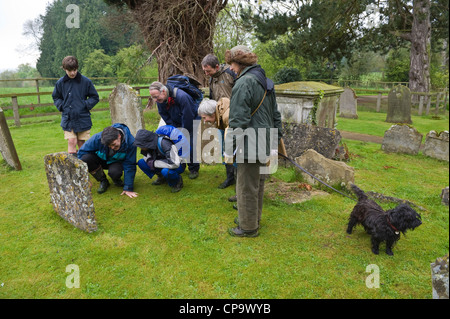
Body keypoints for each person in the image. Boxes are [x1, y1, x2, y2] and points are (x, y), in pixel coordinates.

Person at [224, 45, 283, 237]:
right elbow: (275, 114)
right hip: (264, 139)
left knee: (246, 185)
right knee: (257, 183)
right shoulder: (265, 80)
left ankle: (248, 228)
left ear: (239, 63)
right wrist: (276, 139)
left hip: (250, 141)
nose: (230, 69)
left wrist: (228, 149)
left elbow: (237, 120)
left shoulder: (243, 83)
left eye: (231, 64)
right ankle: (251, 218)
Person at [149, 81, 200, 180]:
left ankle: (194, 168)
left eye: (156, 96)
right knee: (175, 144)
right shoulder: (160, 101)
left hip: (191, 120)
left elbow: (188, 116)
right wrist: (174, 130)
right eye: (153, 97)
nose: (155, 100)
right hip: (175, 122)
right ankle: (181, 164)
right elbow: (164, 115)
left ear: (163, 91)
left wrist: (184, 132)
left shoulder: (182, 96)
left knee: (190, 144)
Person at [201, 54, 237, 190]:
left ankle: (240, 177)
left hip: (233, 118)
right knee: (225, 149)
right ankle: (230, 177)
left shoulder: (230, 73)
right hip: (219, 119)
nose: (206, 73)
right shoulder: (211, 79)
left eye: (208, 70)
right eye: (205, 71)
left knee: (235, 149)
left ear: (217, 67)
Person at [52, 56, 99, 156]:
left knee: (81, 143)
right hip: (68, 118)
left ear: (77, 68)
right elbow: (56, 97)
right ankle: (73, 168)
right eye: (69, 70)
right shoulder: (60, 83)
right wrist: (61, 106)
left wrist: (84, 105)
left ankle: (83, 167)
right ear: (64, 69)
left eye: (74, 70)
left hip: (82, 117)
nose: (72, 73)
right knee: (71, 141)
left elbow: (94, 97)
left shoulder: (86, 82)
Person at [77, 123, 138, 198]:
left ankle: (116, 179)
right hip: (101, 159)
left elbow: (130, 164)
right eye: (109, 145)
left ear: (119, 136)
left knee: (115, 172)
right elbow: (81, 152)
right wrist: (84, 177)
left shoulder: (131, 142)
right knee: (85, 158)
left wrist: (128, 188)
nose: (112, 147)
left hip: (116, 162)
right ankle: (103, 180)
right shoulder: (97, 138)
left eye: (114, 144)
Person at [197, 98, 235, 189]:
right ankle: (231, 178)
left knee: (232, 155)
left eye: (204, 118)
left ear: (212, 113)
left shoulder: (227, 116)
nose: (205, 121)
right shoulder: (220, 115)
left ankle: (240, 185)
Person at [134, 128, 186, 193]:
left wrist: (154, 163)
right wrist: (150, 161)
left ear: (146, 143)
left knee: (166, 171)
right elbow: (146, 157)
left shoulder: (164, 143)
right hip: (164, 163)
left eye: (141, 145)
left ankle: (177, 181)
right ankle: (162, 177)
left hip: (178, 165)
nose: (140, 147)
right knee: (141, 162)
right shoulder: (149, 145)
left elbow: (174, 163)